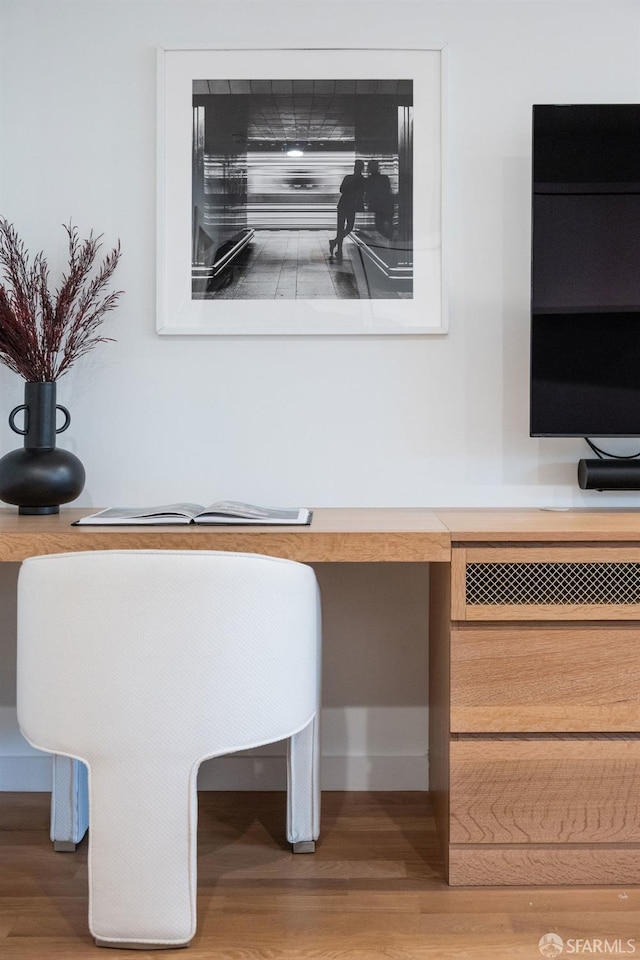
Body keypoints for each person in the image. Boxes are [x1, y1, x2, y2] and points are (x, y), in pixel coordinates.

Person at [329, 159, 365, 260]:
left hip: (344, 204)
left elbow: (341, 189)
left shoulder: (349, 178)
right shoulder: (359, 179)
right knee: (347, 227)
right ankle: (339, 250)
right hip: (350, 205)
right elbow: (361, 193)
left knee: (343, 228)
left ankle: (335, 242)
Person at [365, 159, 394, 239]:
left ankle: (390, 239)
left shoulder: (369, 180)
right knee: (389, 223)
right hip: (388, 204)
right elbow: (388, 190)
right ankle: (391, 240)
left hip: (378, 206)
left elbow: (368, 194)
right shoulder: (385, 178)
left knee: (379, 226)